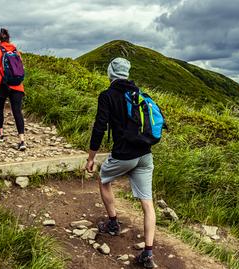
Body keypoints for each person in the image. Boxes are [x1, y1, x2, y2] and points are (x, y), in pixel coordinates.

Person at [85, 57, 156, 268]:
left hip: (123, 154)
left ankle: (113, 223)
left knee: (104, 180)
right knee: (147, 202)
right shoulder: (139, 94)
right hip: (145, 154)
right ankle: (148, 253)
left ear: (111, 73)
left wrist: (91, 157)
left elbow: (99, 127)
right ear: (127, 73)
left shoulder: (107, 96)